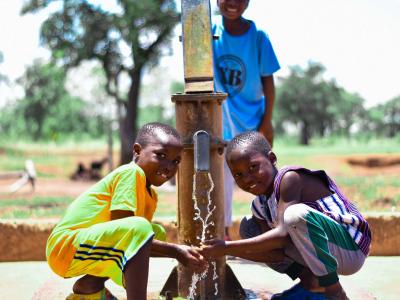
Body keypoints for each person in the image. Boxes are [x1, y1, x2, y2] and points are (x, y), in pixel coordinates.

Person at [200, 131, 371, 300]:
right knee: (249, 228)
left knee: (294, 216)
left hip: (350, 248)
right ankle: (311, 282)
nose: (247, 178)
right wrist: (227, 252)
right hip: (323, 252)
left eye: (253, 167)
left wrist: (227, 247)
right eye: (238, 175)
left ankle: (335, 292)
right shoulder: (260, 206)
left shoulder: (290, 179)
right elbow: (275, 253)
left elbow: (282, 235)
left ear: (272, 159)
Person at [46, 122, 206, 300]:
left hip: (83, 247)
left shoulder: (151, 194)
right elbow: (127, 230)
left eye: (176, 161)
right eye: (161, 155)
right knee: (140, 228)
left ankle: (90, 285)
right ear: (137, 151)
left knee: (155, 232)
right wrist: (175, 251)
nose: (169, 166)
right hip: (66, 247)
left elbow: (136, 242)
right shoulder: (131, 173)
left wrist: (175, 250)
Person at [212, 0, 281, 239]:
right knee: (220, 183)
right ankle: (224, 236)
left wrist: (267, 121)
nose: (232, 3)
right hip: (220, 121)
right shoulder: (207, 32)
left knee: (263, 179)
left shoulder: (258, 37)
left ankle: (273, 234)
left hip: (253, 122)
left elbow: (269, 83)